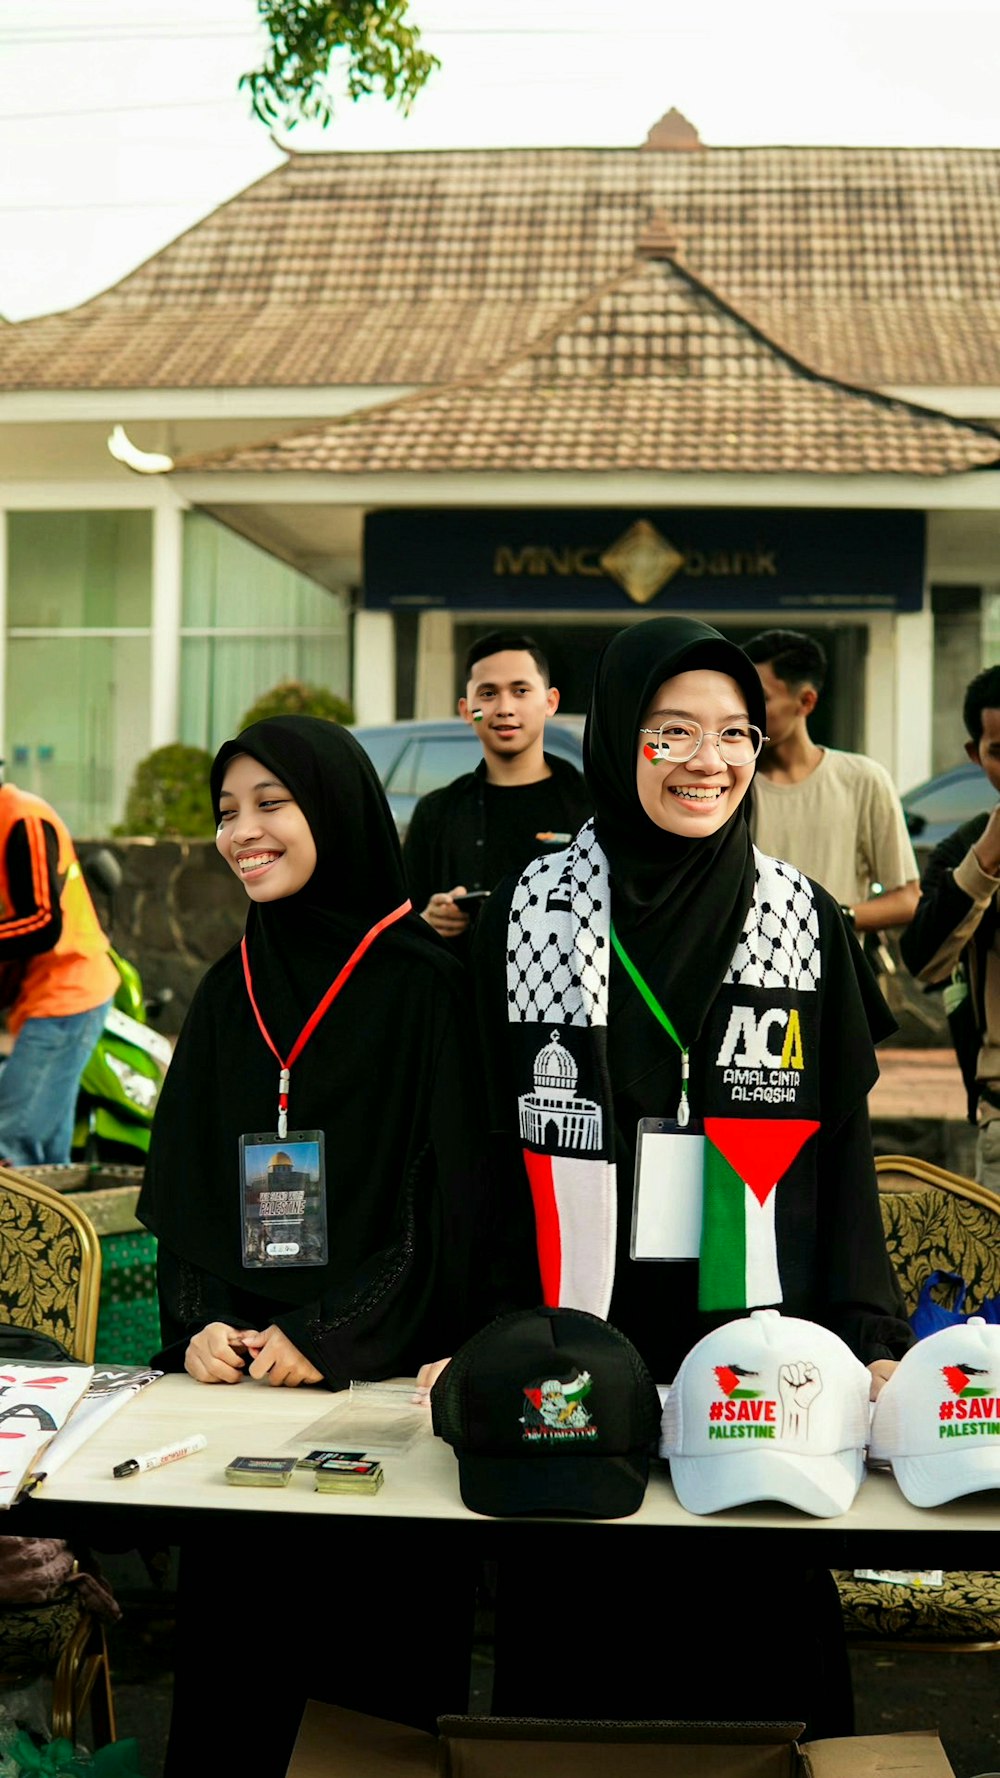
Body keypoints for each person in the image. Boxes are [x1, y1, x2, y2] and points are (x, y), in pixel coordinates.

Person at [461, 615, 913, 1733]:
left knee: (752, 1656)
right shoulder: (527, 910)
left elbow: (840, 1152)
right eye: (671, 732)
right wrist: (468, 1326)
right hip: (571, 1347)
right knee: (580, 1662)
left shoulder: (801, 917)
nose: (707, 761)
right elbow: (473, 1141)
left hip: (756, 1346)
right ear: (618, 739)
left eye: (733, 734)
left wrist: (870, 1332)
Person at [137, 714, 487, 1774]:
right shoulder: (226, 984)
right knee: (238, 1695)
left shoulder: (423, 982)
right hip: (241, 1408)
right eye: (226, 811)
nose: (244, 832)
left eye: (271, 804)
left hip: (373, 1407)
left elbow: (446, 1199)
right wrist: (201, 1324)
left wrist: (329, 1330)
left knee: (368, 1710)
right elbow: (191, 1187)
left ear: (331, 806)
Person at [402, 631, 592, 945]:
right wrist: (428, 920)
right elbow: (403, 923)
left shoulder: (592, 807)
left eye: (520, 691)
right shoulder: (436, 813)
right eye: (488, 694)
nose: (504, 708)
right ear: (466, 711)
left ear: (550, 702)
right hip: (464, 989)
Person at [744, 628, 920, 934]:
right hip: (747, 975)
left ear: (806, 702)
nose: (745, 711)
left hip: (836, 977)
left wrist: (834, 918)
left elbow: (907, 898)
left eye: (761, 698)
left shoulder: (863, 780)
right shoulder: (728, 783)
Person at [900, 664, 1000, 1189]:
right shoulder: (964, 849)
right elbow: (925, 962)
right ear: (976, 755)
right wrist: (984, 861)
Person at [0, 769, 118, 1167]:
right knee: (48, 1159)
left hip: (70, 993)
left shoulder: (23, 819)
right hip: (48, 999)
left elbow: (42, 921)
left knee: (10, 1144)